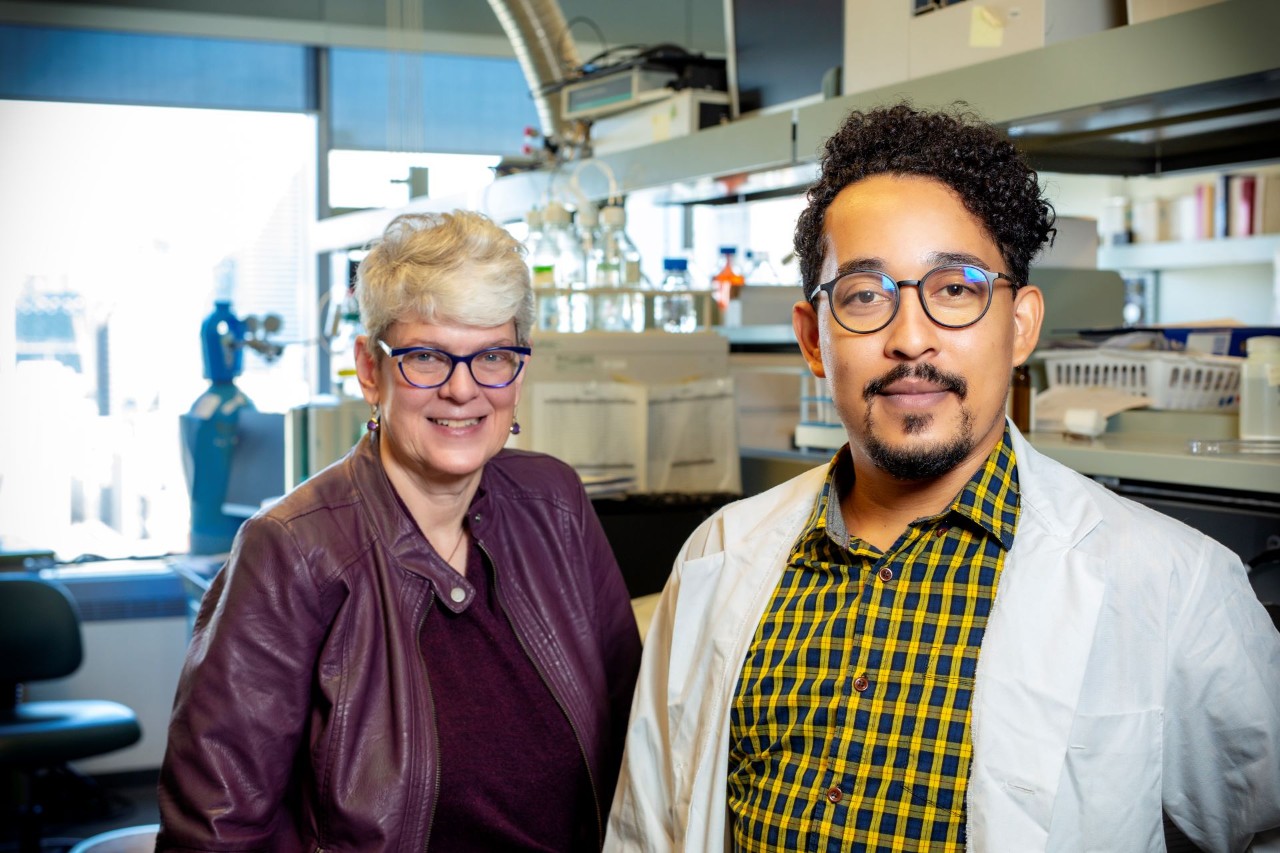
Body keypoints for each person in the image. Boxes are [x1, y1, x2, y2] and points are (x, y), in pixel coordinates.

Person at [605, 103, 1280, 852]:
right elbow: (647, 829)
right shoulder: (717, 557)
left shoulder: (1173, 585)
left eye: (955, 288)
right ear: (812, 338)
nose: (911, 338)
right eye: (864, 296)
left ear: (1020, 324)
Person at [158, 210, 642, 852]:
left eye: (493, 356)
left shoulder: (553, 504)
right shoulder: (292, 551)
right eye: (426, 358)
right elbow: (215, 834)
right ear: (368, 369)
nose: (463, 390)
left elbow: (635, 736)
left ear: (519, 371)